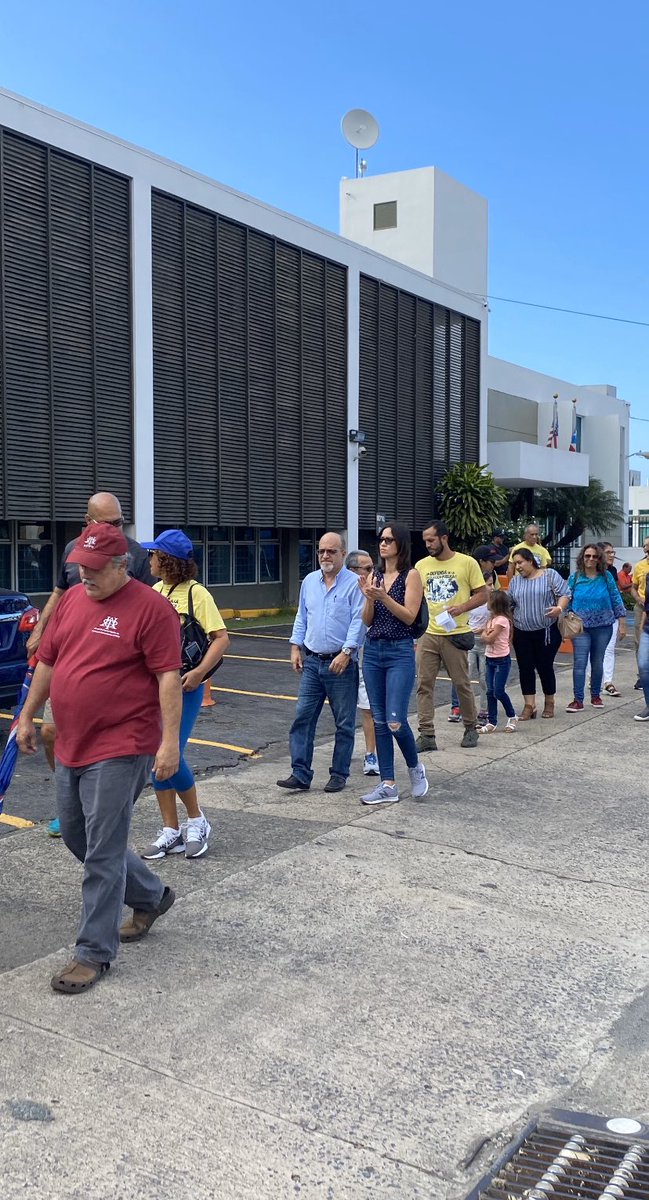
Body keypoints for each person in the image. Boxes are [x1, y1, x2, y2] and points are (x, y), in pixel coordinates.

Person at [16, 523, 183, 995]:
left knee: (103, 851)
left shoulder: (152, 609)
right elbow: (48, 662)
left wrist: (170, 744)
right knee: (77, 836)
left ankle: (93, 952)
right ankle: (151, 895)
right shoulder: (72, 599)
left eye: (93, 568)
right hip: (72, 741)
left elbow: (168, 678)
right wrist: (26, 717)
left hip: (123, 744)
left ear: (121, 564)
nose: (84, 575)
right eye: (79, 567)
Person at [25, 492, 155, 838]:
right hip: (68, 659)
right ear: (88, 522)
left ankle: (100, 801)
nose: (115, 529)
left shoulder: (133, 554)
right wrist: (40, 630)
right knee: (50, 731)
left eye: (119, 522)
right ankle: (70, 801)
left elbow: (146, 604)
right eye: (107, 523)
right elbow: (59, 593)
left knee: (101, 843)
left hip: (112, 669)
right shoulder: (72, 551)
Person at [139, 530, 229, 859]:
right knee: (157, 757)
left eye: (153, 554)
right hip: (156, 687)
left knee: (171, 753)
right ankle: (171, 830)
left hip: (185, 687)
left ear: (167, 560)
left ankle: (197, 820)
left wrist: (200, 673)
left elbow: (221, 638)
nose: (149, 559)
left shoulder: (197, 594)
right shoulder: (155, 592)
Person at [278, 531, 364, 793]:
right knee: (302, 718)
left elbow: (359, 621)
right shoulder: (309, 582)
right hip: (313, 662)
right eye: (321, 551)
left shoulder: (355, 583)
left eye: (331, 551)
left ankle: (339, 774)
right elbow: (302, 616)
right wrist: (295, 647)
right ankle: (300, 773)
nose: (325, 556)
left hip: (341, 664)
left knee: (344, 723)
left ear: (343, 554)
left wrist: (347, 652)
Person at [357, 524, 428, 806]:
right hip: (373, 650)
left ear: (401, 544)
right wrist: (369, 598)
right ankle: (388, 784)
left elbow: (410, 616)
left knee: (395, 721)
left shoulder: (411, 575)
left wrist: (383, 596)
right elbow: (367, 620)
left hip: (399, 650)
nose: (383, 544)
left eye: (389, 539)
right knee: (379, 720)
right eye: (381, 539)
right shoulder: (374, 575)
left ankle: (415, 767)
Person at [414, 520, 487, 751]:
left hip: (456, 632)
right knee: (424, 684)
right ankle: (426, 733)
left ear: (444, 538)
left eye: (431, 540)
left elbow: (483, 594)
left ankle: (470, 728)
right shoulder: (421, 565)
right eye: (425, 541)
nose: (428, 545)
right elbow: (416, 598)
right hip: (429, 633)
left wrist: (462, 607)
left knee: (462, 683)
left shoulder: (467, 562)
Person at [508, 548, 570, 719]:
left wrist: (559, 608)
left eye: (520, 562)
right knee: (525, 668)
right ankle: (530, 705)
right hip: (522, 632)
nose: (517, 567)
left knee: (545, 666)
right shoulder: (515, 582)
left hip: (547, 631)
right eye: (515, 564)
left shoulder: (549, 575)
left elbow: (565, 594)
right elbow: (510, 604)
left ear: (530, 560)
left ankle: (549, 702)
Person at [565, 544, 626, 713]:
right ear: (582, 558)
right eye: (587, 556)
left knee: (597, 662)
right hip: (581, 628)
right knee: (580, 662)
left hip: (603, 626)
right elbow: (567, 599)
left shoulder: (606, 577)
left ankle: (596, 696)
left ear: (599, 559)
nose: (591, 559)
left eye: (594, 556)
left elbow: (616, 599)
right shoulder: (575, 578)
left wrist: (622, 624)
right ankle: (578, 700)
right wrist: (568, 613)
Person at [345, 550, 379, 776]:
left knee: (368, 708)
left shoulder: (375, 590)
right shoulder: (340, 590)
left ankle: (371, 754)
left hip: (367, 656)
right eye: (366, 569)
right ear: (352, 571)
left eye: (372, 568)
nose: (371, 572)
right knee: (343, 709)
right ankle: (343, 752)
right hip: (343, 656)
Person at [448, 569, 494, 723]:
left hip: (486, 643)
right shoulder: (469, 601)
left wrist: (486, 628)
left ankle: (484, 709)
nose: (491, 588)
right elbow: (459, 618)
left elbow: (499, 619)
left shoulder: (493, 603)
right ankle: (458, 706)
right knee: (463, 675)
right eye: (488, 584)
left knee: (484, 678)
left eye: (492, 584)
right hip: (470, 641)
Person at [478, 590, 517, 733]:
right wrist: (484, 634)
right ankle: (492, 721)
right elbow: (484, 633)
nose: (487, 603)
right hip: (490, 658)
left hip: (501, 659)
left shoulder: (502, 620)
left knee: (498, 691)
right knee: (490, 691)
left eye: (489, 600)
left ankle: (512, 716)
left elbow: (489, 638)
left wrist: (484, 634)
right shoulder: (490, 620)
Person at [596, 542, 622, 697]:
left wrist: (621, 619)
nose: (612, 555)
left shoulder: (612, 571)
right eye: (608, 552)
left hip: (611, 615)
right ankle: (593, 677)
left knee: (609, 649)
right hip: (593, 617)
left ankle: (608, 682)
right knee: (594, 649)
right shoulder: (590, 571)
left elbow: (616, 595)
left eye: (613, 552)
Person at [630, 540, 649, 689]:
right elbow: (633, 587)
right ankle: (641, 676)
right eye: (644, 545)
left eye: (648, 545)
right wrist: (638, 598)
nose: (646, 548)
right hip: (642, 607)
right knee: (639, 642)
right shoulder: (639, 566)